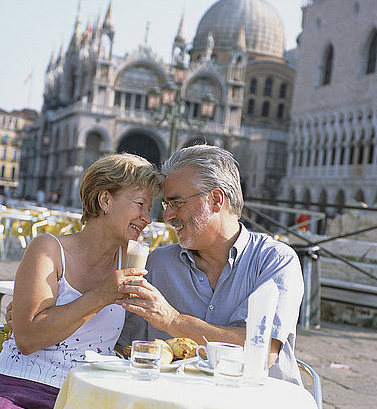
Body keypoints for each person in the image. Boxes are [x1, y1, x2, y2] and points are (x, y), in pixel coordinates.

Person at [0, 153, 163, 409]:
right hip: (16, 385)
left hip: (87, 395)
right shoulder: (48, 249)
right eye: (140, 205)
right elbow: (28, 338)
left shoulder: (138, 259)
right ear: (104, 199)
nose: (148, 218)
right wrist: (99, 297)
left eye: (151, 207)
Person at [117, 145, 304, 385]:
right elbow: (125, 349)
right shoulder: (156, 264)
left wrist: (173, 321)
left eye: (177, 203)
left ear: (216, 199)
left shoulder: (276, 260)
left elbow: (261, 351)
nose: (167, 216)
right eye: (166, 205)